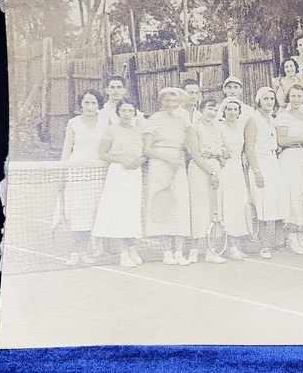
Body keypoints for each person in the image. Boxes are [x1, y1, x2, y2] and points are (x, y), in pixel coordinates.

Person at [92, 98, 145, 268]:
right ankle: (123, 253)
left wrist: (140, 161)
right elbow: (102, 153)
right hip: (117, 174)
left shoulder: (139, 130)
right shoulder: (111, 130)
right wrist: (121, 160)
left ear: (135, 113)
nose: (127, 114)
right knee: (118, 213)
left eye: (130, 111)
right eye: (124, 111)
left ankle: (131, 249)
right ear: (118, 113)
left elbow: (144, 153)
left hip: (134, 175)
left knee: (131, 213)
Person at [143, 87, 192, 266]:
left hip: (177, 167)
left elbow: (187, 144)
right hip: (160, 166)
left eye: (173, 101)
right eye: (166, 100)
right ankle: (167, 253)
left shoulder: (183, 120)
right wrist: (168, 159)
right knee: (161, 206)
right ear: (161, 101)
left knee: (180, 206)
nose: (170, 104)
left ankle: (179, 253)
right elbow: (146, 149)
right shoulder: (153, 120)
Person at [60, 89, 108, 265]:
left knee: (92, 213)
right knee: (79, 213)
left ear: (99, 104)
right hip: (77, 172)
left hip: (98, 173)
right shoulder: (73, 123)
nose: (90, 106)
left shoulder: (106, 121)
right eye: (86, 102)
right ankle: (75, 252)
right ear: (80, 104)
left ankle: (85, 251)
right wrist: (62, 172)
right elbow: (67, 149)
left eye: (93, 102)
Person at [244, 87, 288, 259]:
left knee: (277, 201)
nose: (269, 102)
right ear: (258, 101)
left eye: (271, 99)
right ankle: (264, 246)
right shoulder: (253, 120)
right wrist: (257, 172)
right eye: (265, 99)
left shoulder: (272, 119)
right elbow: (249, 148)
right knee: (262, 204)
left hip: (272, 162)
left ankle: (279, 242)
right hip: (259, 163)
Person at [275, 84, 303, 254]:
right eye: (293, 96)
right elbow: (281, 140)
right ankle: (291, 237)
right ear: (288, 98)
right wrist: (300, 138)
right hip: (289, 159)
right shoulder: (282, 117)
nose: (296, 100)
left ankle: (300, 236)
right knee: (292, 197)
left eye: (299, 96)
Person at [186, 98, 227, 264]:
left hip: (215, 167)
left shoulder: (216, 127)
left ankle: (212, 251)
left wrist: (221, 157)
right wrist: (211, 172)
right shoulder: (193, 128)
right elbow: (195, 154)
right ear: (201, 109)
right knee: (199, 208)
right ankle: (194, 251)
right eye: (210, 108)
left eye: (215, 110)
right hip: (199, 170)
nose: (212, 112)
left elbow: (219, 148)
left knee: (215, 208)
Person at [218, 98, 251, 261]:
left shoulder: (242, 126)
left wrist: (244, 154)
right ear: (224, 111)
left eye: (235, 109)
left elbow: (245, 146)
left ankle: (236, 245)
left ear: (239, 112)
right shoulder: (219, 126)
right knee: (229, 207)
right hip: (225, 168)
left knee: (240, 206)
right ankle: (230, 247)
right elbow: (215, 142)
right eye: (229, 109)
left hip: (239, 168)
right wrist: (222, 149)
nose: (232, 112)